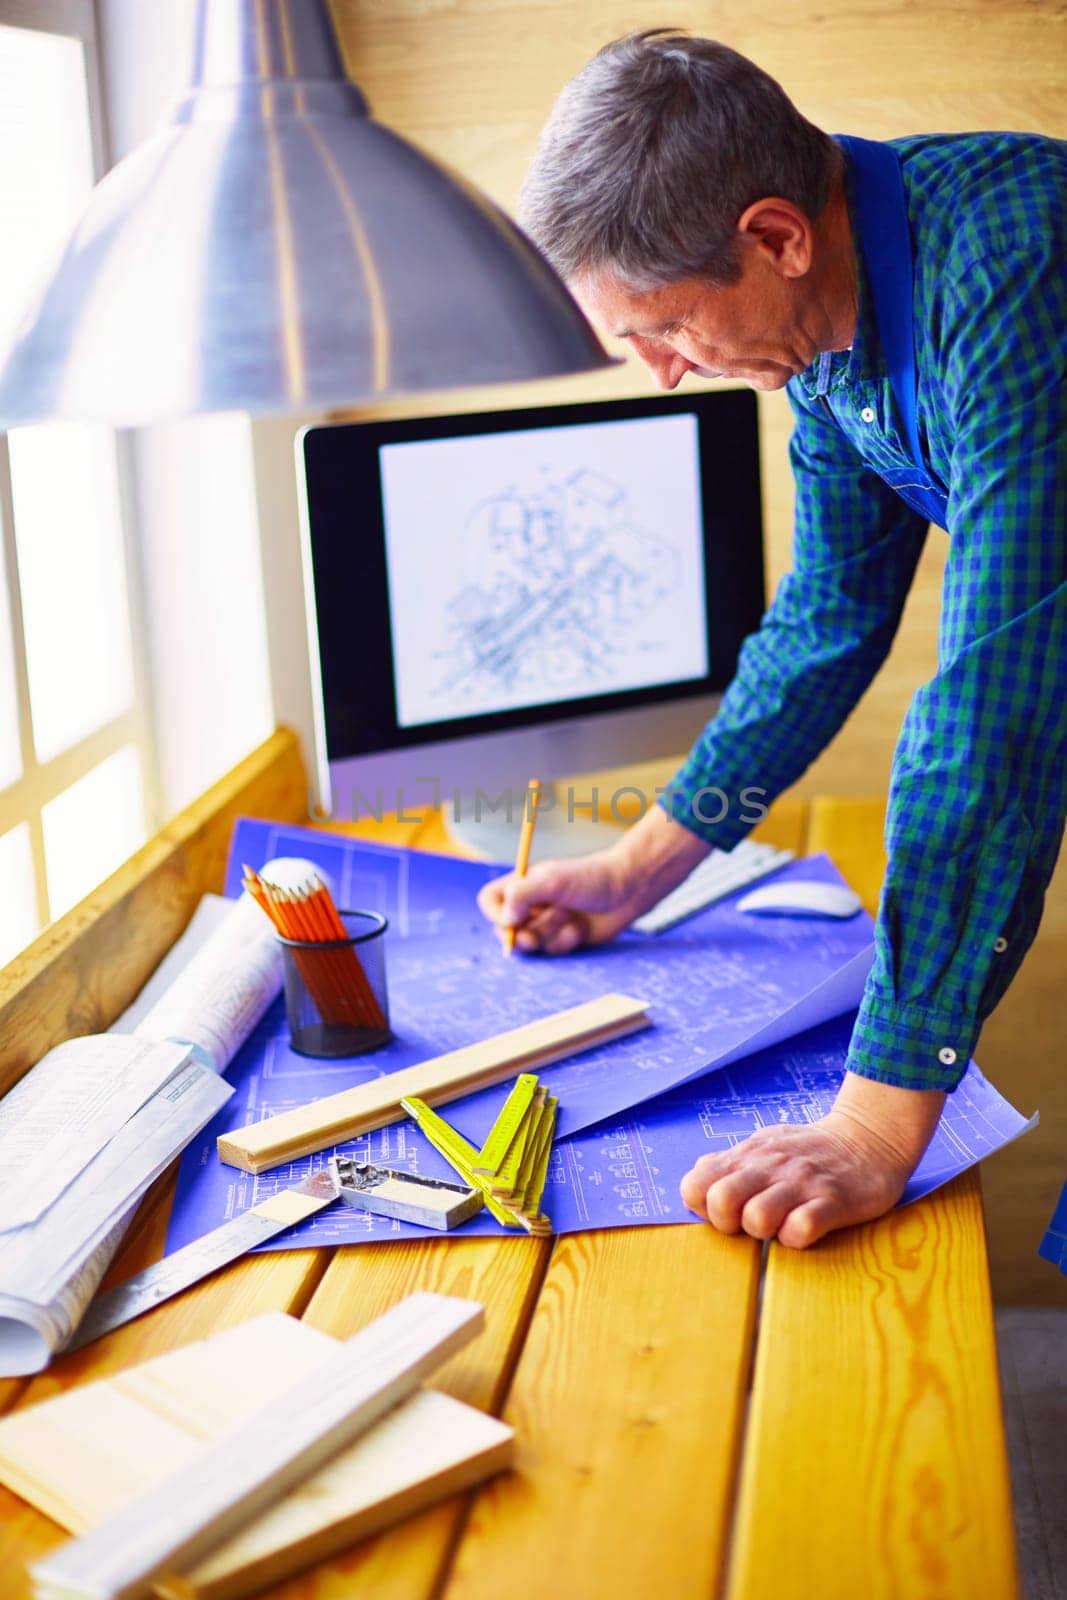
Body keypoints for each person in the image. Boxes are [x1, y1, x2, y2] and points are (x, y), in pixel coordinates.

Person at [477, 30, 1067, 1249]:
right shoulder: (820, 336)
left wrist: (871, 1121)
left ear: (774, 239)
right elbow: (823, 622)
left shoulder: (1016, 269)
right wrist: (634, 872)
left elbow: (988, 715)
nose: (656, 374)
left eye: (663, 330)